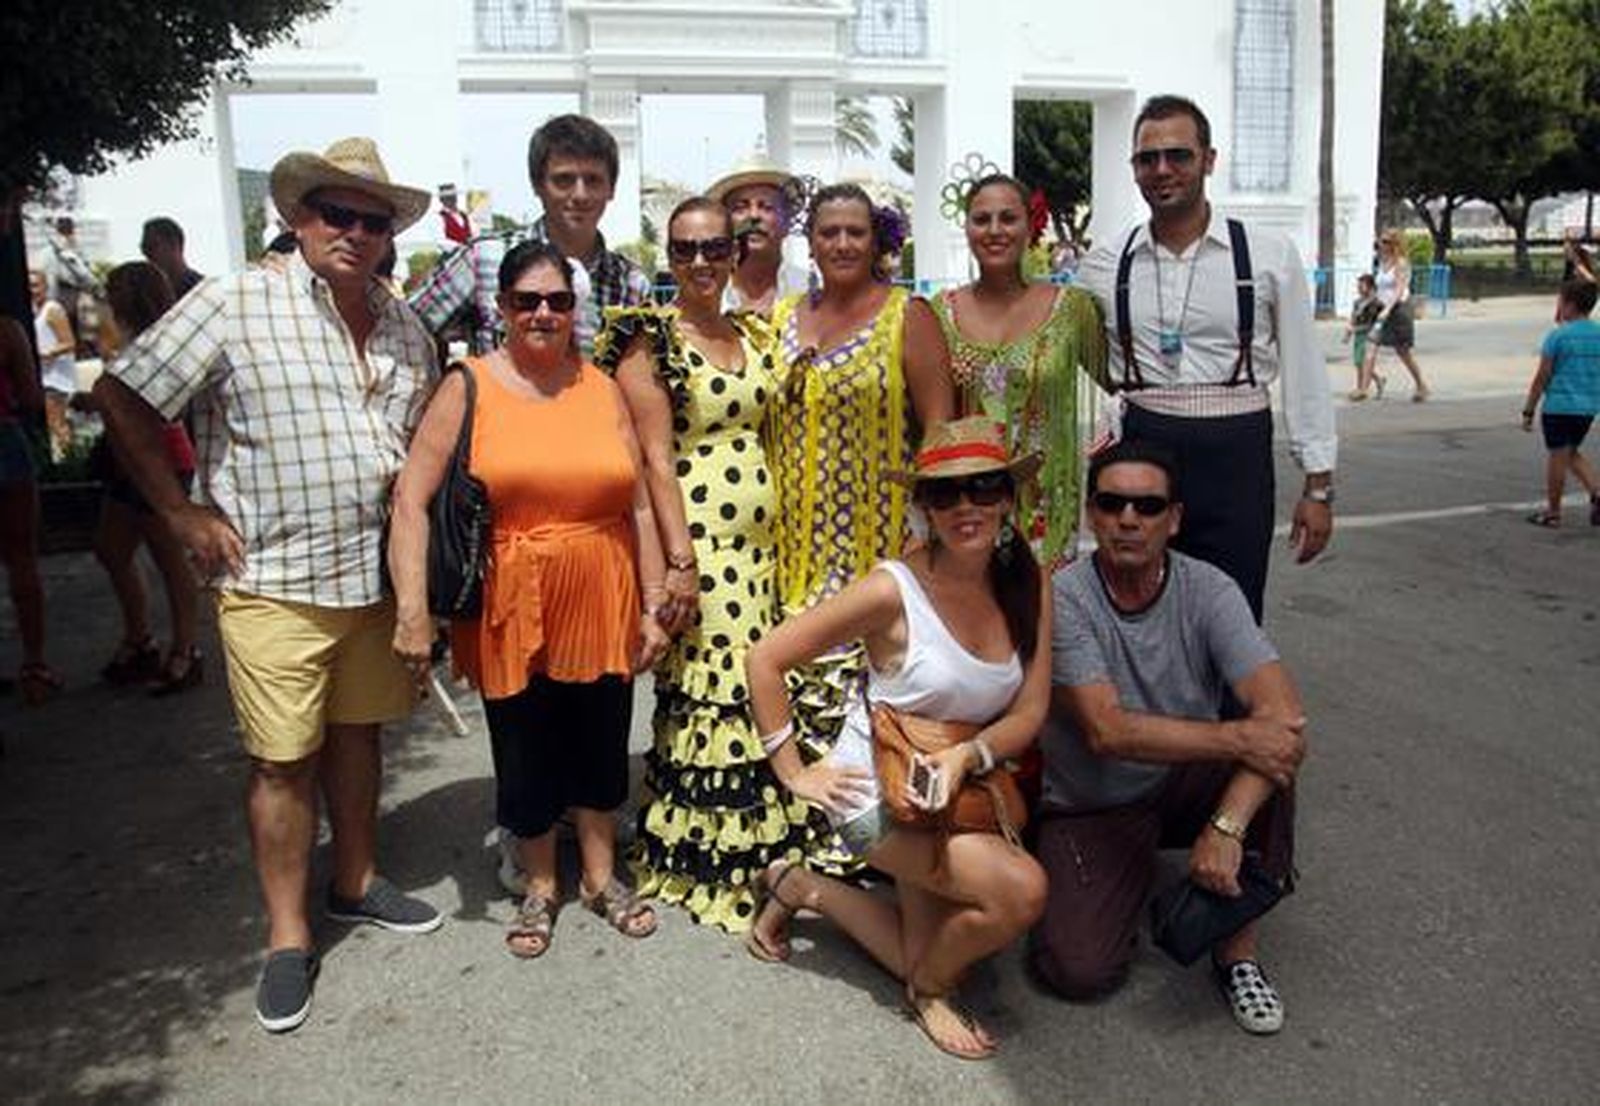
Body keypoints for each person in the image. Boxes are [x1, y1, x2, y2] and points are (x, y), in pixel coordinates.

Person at [93, 137, 442, 1033]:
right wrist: (177, 515)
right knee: (282, 760)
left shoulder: (406, 326)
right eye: (338, 213)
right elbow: (123, 395)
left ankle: (356, 881)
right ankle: (289, 937)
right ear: (298, 218)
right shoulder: (236, 301)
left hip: (368, 578)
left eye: (372, 220)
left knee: (357, 737)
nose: (355, 233)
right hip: (271, 578)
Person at [391, 240, 670, 958]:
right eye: (527, 301)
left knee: (603, 733)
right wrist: (414, 614)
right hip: (510, 593)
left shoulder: (601, 386)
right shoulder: (469, 385)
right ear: (502, 308)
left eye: (559, 301)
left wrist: (652, 599)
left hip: (601, 587)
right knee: (524, 741)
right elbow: (411, 502)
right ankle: (540, 883)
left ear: (576, 309)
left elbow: (638, 505)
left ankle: (602, 878)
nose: (543, 314)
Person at [744, 417, 1050, 1060]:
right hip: (877, 797)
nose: (966, 507)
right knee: (1019, 892)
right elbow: (765, 660)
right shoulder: (892, 590)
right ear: (923, 506)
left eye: (984, 487)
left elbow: (1030, 712)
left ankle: (803, 888)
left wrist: (968, 753)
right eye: (944, 494)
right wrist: (795, 772)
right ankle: (930, 993)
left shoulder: (1028, 579)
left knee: (925, 941)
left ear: (1008, 498)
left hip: (956, 790)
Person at [1028, 440, 1304, 1036]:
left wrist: (1227, 821)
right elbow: (1107, 731)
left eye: (1148, 506)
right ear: (1091, 515)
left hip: (1180, 780)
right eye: (1112, 503)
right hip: (1091, 801)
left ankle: (1237, 952)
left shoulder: (1210, 590)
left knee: (1277, 754)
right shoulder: (1066, 596)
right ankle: (1132, 887)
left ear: (1174, 519)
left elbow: (1283, 717)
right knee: (1077, 970)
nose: (1129, 519)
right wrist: (1239, 740)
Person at [595, 196, 811, 932]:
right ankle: (704, 856)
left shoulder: (752, 332)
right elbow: (652, 461)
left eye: (713, 249)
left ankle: (757, 843)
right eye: (684, 250)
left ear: (734, 252)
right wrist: (679, 565)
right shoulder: (650, 340)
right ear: (667, 257)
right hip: (705, 550)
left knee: (759, 686)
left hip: (763, 550)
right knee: (718, 691)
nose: (699, 263)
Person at [1077, 94, 1336, 623]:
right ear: (1134, 169)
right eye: (1147, 159)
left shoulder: (1266, 253)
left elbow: (1306, 372)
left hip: (1235, 451)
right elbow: (1083, 351)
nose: (1162, 169)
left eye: (1179, 155)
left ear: (1209, 160)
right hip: (1143, 444)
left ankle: (1231, 707)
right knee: (1139, 604)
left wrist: (1318, 484)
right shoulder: (1105, 262)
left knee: (1232, 608)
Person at [769, 182, 953, 867]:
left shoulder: (909, 316)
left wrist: (924, 538)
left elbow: (938, 428)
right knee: (793, 683)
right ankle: (804, 851)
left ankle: (868, 862)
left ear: (878, 240)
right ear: (809, 242)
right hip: (792, 550)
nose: (842, 244)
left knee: (867, 707)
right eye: (828, 232)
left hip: (877, 549)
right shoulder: (787, 317)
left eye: (855, 232)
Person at [929, 172, 1107, 567]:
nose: (994, 230)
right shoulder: (940, 314)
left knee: (1041, 620)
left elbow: (1122, 383)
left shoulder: (1072, 310)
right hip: (967, 506)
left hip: (1047, 507)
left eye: (1008, 218)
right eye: (981, 219)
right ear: (967, 229)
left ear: (1031, 225)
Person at [409, 114, 650, 357]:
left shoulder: (630, 285)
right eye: (564, 180)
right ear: (537, 184)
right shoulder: (484, 260)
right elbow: (408, 331)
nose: (580, 194)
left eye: (593, 180)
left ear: (611, 189)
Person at [77, 262, 201, 694]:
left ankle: (185, 649)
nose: (108, 300)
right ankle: (141, 636)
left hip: (159, 459)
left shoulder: (160, 348)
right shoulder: (137, 343)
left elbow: (158, 405)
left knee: (170, 561)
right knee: (111, 549)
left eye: (114, 292)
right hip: (126, 460)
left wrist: (98, 401)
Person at [0, 314, 54, 704]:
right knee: (22, 558)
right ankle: (34, 665)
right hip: (4, 442)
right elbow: (33, 397)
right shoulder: (7, 330)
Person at [1521, 279, 1600, 527]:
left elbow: (1542, 376)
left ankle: (1553, 512)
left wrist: (1529, 409)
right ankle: (1597, 493)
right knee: (1570, 452)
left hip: (1559, 406)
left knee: (1558, 457)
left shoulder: (1558, 336)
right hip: (1588, 407)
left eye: (1560, 301)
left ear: (1569, 305)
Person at [705, 154, 809, 316]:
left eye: (767, 207)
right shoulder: (705, 297)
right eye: (740, 207)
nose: (753, 216)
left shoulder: (810, 291)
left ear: (787, 222)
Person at [1353, 229, 1429, 402]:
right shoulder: (1382, 262)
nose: (1382, 244)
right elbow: (1379, 288)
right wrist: (1370, 304)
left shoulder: (1401, 263)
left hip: (1399, 310)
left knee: (1403, 351)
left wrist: (1389, 308)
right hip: (1381, 311)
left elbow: (1399, 289)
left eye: (1386, 241)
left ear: (1395, 244)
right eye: (1381, 241)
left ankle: (1421, 384)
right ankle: (1363, 389)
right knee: (1370, 345)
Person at [29, 269, 77, 460]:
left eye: (35, 285)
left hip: (56, 378)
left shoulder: (52, 310)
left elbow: (69, 342)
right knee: (52, 424)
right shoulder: (36, 311)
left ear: (45, 287)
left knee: (56, 424)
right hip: (45, 377)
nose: (32, 290)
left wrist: (46, 353)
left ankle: (68, 461)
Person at [139, 217, 204, 299]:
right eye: (143, 248)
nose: (146, 254)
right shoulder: (148, 297)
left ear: (174, 244)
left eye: (152, 246)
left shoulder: (203, 290)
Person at [1341, 272, 1381, 395]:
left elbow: (1371, 324)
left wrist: (1355, 329)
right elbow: (1353, 318)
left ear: (1371, 287)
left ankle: (1361, 388)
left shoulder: (1375, 304)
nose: (1359, 289)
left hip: (1369, 335)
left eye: (1362, 286)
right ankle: (1379, 380)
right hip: (1358, 334)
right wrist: (1348, 333)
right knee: (1359, 362)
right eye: (1358, 286)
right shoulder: (1357, 302)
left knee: (1363, 363)